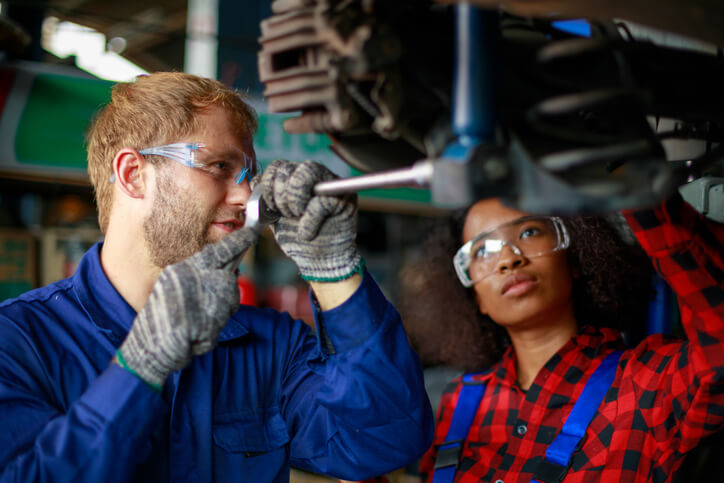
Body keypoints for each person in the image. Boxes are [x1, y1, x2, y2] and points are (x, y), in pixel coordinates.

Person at [0, 72, 433, 482]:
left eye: (248, 174)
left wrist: (335, 271)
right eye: (218, 167)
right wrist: (138, 369)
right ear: (133, 175)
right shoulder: (17, 343)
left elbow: (385, 441)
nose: (246, 197)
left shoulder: (271, 347)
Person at [404, 194, 723, 481]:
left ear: (574, 258)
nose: (508, 260)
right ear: (476, 299)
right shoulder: (460, 401)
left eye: (529, 232)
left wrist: (638, 188)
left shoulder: (647, 383)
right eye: (483, 251)